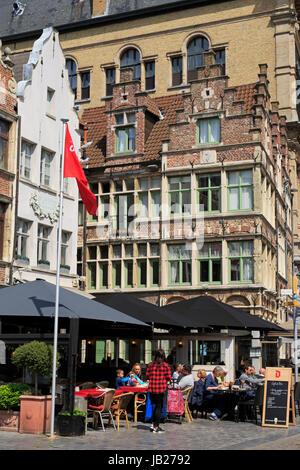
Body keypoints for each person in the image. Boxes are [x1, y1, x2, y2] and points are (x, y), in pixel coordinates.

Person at [146, 349, 171, 434]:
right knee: (159, 408)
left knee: (154, 406)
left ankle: (153, 424)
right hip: (161, 389)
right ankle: (156, 426)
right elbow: (168, 378)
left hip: (152, 389)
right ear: (163, 356)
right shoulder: (165, 366)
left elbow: (147, 376)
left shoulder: (150, 365)